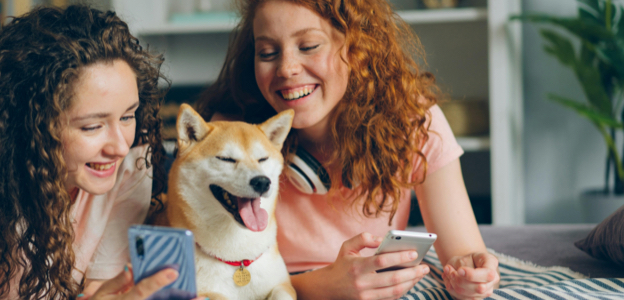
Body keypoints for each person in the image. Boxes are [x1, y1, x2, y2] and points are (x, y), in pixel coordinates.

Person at [0, 5, 199, 300]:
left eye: (128, 116)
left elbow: (102, 286)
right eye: (91, 127)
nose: (120, 145)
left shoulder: (132, 161)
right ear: (31, 126)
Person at [195, 0, 500, 299]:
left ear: (357, 48)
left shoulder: (415, 121)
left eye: (309, 46)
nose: (286, 68)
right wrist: (321, 287)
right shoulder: (228, 139)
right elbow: (220, 279)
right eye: (268, 53)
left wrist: (472, 273)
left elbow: (463, 253)